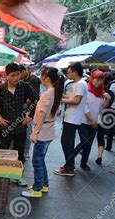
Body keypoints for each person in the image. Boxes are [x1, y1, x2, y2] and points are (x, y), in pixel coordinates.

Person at [0, 63, 39, 187]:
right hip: (6, 128)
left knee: (20, 153)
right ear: (7, 76)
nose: (15, 78)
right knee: (3, 152)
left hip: (20, 126)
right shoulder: (1, 89)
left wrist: (30, 116)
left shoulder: (24, 87)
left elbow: (36, 100)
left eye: (17, 75)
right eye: (12, 75)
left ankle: (17, 176)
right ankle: (1, 176)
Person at [22, 67, 65, 198]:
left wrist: (35, 132)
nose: (40, 77)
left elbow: (41, 114)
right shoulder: (54, 92)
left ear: (46, 77)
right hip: (48, 130)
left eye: (42, 75)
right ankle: (44, 185)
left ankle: (37, 189)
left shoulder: (48, 93)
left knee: (37, 160)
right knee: (41, 160)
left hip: (43, 131)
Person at [54, 63, 88, 176]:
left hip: (73, 118)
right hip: (71, 117)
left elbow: (76, 101)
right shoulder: (78, 84)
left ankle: (69, 168)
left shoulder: (81, 84)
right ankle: (69, 165)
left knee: (67, 143)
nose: (68, 74)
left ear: (75, 72)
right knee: (66, 142)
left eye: (69, 72)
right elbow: (72, 98)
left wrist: (61, 100)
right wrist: (61, 96)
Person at [72, 70, 107, 170]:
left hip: (95, 122)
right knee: (85, 142)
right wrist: (91, 120)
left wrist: (107, 99)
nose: (98, 82)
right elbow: (84, 107)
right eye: (96, 79)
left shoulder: (101, 93)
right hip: (83, 121)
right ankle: (71, 157)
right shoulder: (86, 90)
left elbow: (102, 109)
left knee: (89, 144)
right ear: (92, 79)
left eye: (101, 79)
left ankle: (84, 162)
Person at [19, 65, 41, 160]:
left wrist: (22, 105)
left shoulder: (33, 80)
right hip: (25, 109)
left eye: (18, 74)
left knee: (27, 131)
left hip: (29, 111)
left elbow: (33, 97)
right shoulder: (26, 79)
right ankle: (23, 152)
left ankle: (25, 154)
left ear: (24, 71)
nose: (17, 77)